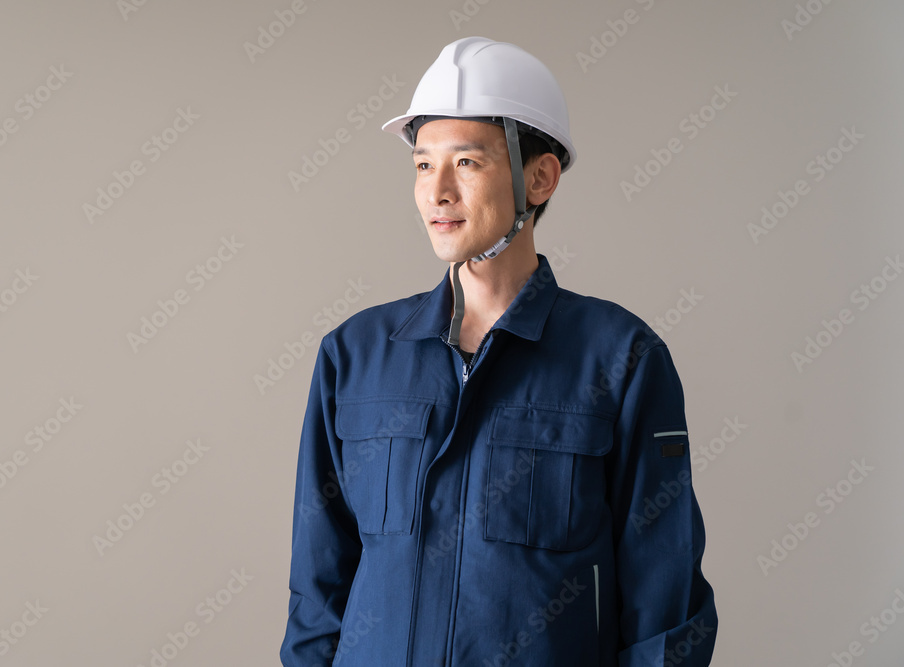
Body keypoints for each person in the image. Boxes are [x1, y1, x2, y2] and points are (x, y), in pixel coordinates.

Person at [280, 36, 717, 666]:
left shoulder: (620, 359)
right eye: (423, 165)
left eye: (467, 162)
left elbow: (665, 605)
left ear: (539, 178)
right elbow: (317, 590)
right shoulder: (354, 356)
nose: (438, 192)